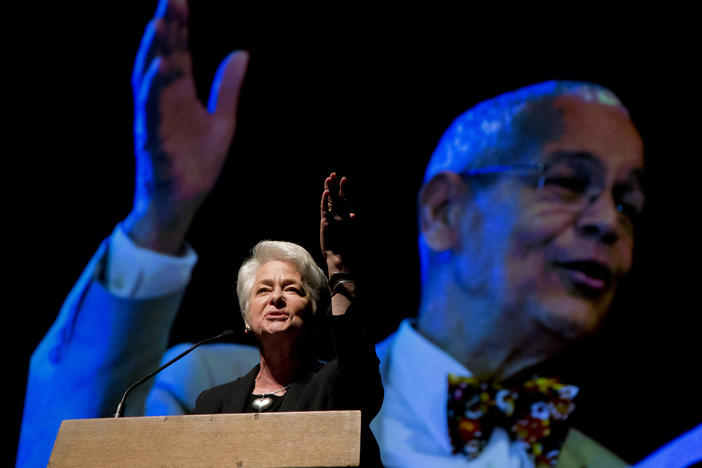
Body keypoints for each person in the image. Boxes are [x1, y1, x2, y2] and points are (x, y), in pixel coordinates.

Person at [17, 1, 682, 467]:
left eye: (629, 203)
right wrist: (160, 218)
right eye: (568, 182)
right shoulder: (214, 388)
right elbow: (65, 451)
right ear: (444, 212)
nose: (607, 221)